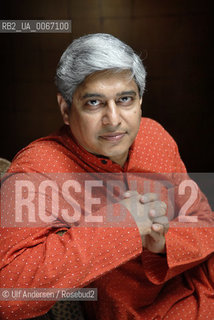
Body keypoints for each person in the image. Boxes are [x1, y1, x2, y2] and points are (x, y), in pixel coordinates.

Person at [0, 33, 213, 320]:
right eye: (94, 103)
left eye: (125, 99)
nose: (113, 119)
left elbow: (205, 222)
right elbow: (9, 294)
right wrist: (120, 226)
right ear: (66, 109)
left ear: (140, 101)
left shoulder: (154, 135)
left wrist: (163, 244)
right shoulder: (38, 168)